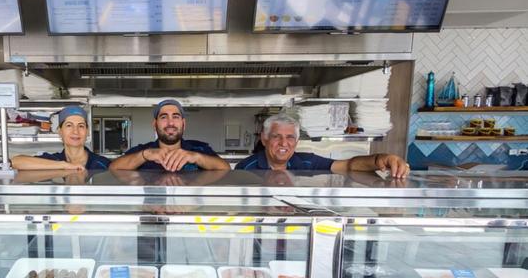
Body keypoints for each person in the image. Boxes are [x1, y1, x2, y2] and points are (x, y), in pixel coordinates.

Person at [235, 114, 410, 178]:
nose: (283, 143)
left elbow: (348, 165)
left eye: (290, 137)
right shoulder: (245, 168)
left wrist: (381, 159)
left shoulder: (307, 162)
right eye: (276, 137)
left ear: (296, 142)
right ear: (264, 139)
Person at [109, 99, 230, 172]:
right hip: (153, 210)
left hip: (187, 210)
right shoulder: (143, 150)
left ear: (183, 124)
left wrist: (197, 157)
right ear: (154, 124)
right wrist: (145, 155)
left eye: (176, 117)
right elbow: (113, 168)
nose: (170, 123)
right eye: (164, 117)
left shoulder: (200, 149)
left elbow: (226, 168)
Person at [11, 106, 110, 170]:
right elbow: (16, 162)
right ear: (60, 131)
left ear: (87, 132)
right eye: (69, 125)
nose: (75, 131)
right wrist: (64, 165)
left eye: (81, 126)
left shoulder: (102, 163)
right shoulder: (53, 160)